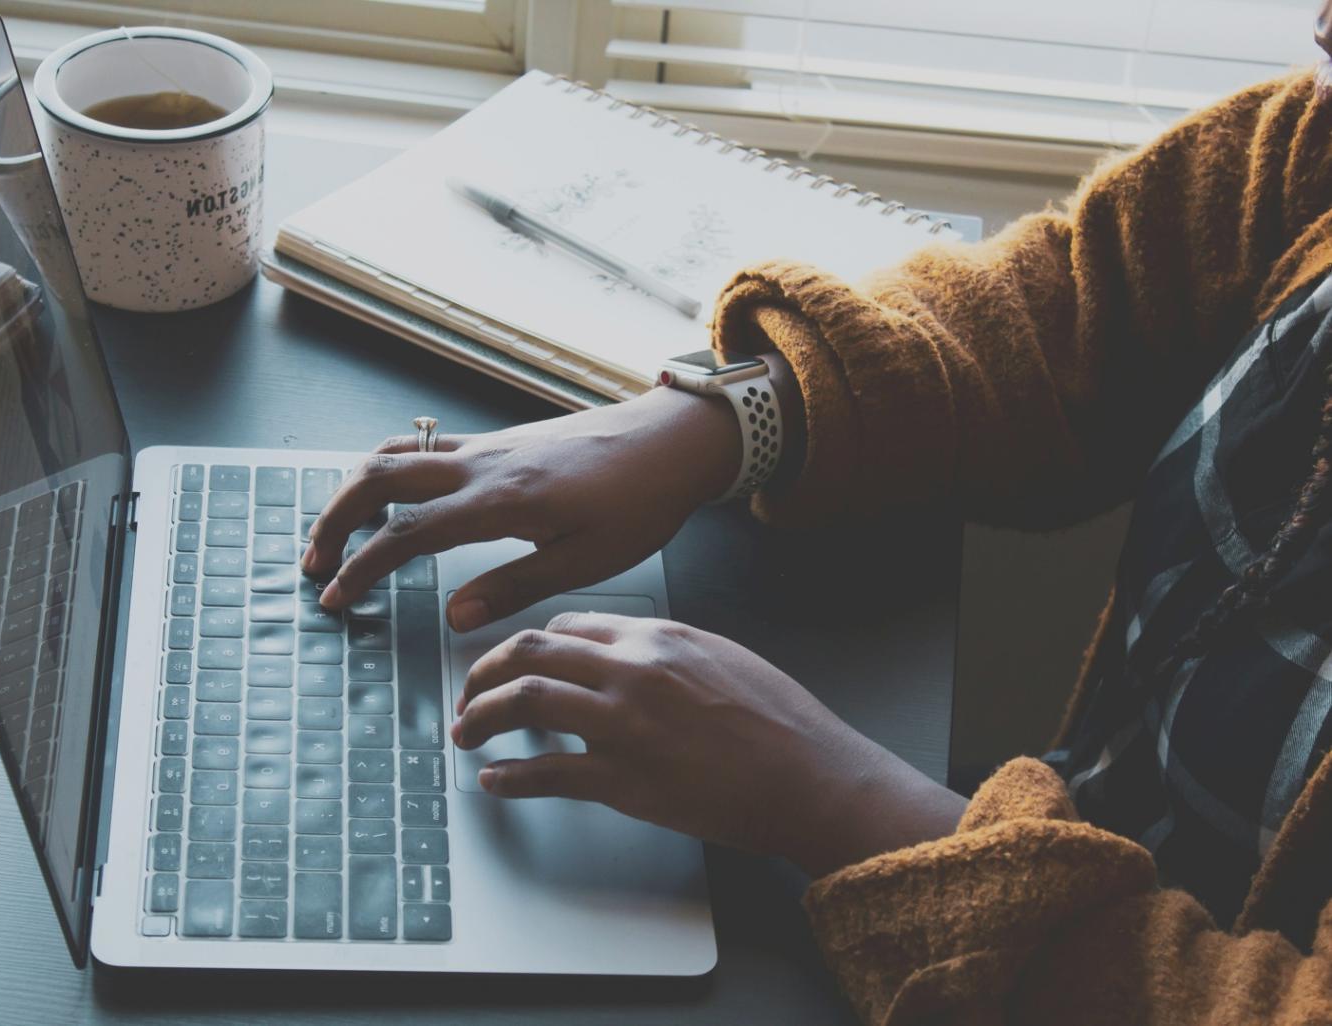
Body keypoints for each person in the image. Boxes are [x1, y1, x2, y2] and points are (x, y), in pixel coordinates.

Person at [300, 54, 1332, 1026]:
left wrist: (835, 803)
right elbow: (1068, 304)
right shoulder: (1314, 148)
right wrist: (716, 420)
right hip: (1064, 841)